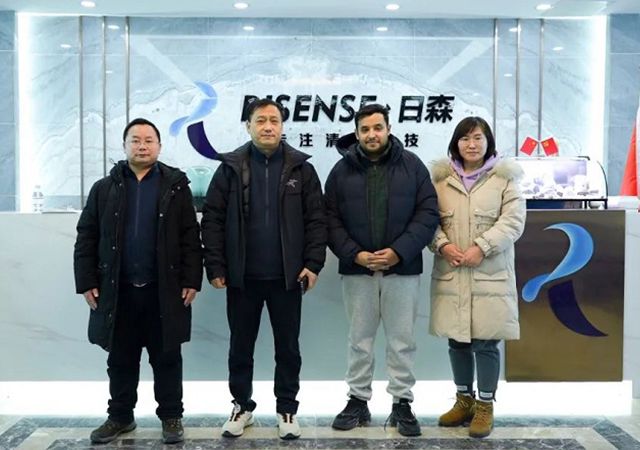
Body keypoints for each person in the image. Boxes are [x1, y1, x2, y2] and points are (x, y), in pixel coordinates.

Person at [201, 98, 326, 440]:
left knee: (288, 348)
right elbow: (212, 219)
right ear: (248, 126)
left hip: (288, 278)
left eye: (274, 120)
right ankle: (242, 406)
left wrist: (313, 264)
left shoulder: (302, 169)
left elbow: (317, 220)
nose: (268, 126)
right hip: (242, 277)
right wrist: (216, 264)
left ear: (282, 126)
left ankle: (287, 408)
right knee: (240, 347)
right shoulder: (229, 168)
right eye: (260, 120)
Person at [73, 118, 203, 445]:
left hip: (164, 290)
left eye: (148, 140)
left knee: (167, 357)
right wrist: (86, 280)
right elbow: (86, 236)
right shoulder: (105, 188)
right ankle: (120, 416)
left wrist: (192, 279)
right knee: (120, 359)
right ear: (125, 146)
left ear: (159, 146)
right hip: (118, 291)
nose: (142, 146)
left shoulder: (176, 187)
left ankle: (171, 416)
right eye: (135, 140)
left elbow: (191, 237)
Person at [325, 103, 440, 437]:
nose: (372, 134)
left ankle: (402, 402)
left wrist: (398, 252)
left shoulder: (412, 166)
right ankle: (358, 400)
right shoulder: (340, 171)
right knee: (359, 340)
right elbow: (329, 219)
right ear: (357, 133)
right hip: (358, 271)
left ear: (388, 129)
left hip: (401, 269)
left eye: (378, 127)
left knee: (402, 340)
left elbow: (428, 213)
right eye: (365, 129)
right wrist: (356, 255)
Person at [429, 116, 526, 438]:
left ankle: (485, 405)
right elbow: (427, 220)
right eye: (465, 138)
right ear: (455, 143)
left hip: (489, 274)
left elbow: (513, 222)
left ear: (488, 142)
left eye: (478, 138)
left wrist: (482, 247)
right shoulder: (441, 181)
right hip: (453, 272)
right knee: (457, 340)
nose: (471, 145)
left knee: (486, 341)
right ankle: (463, 400)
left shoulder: (504, 179)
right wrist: (442, 246)